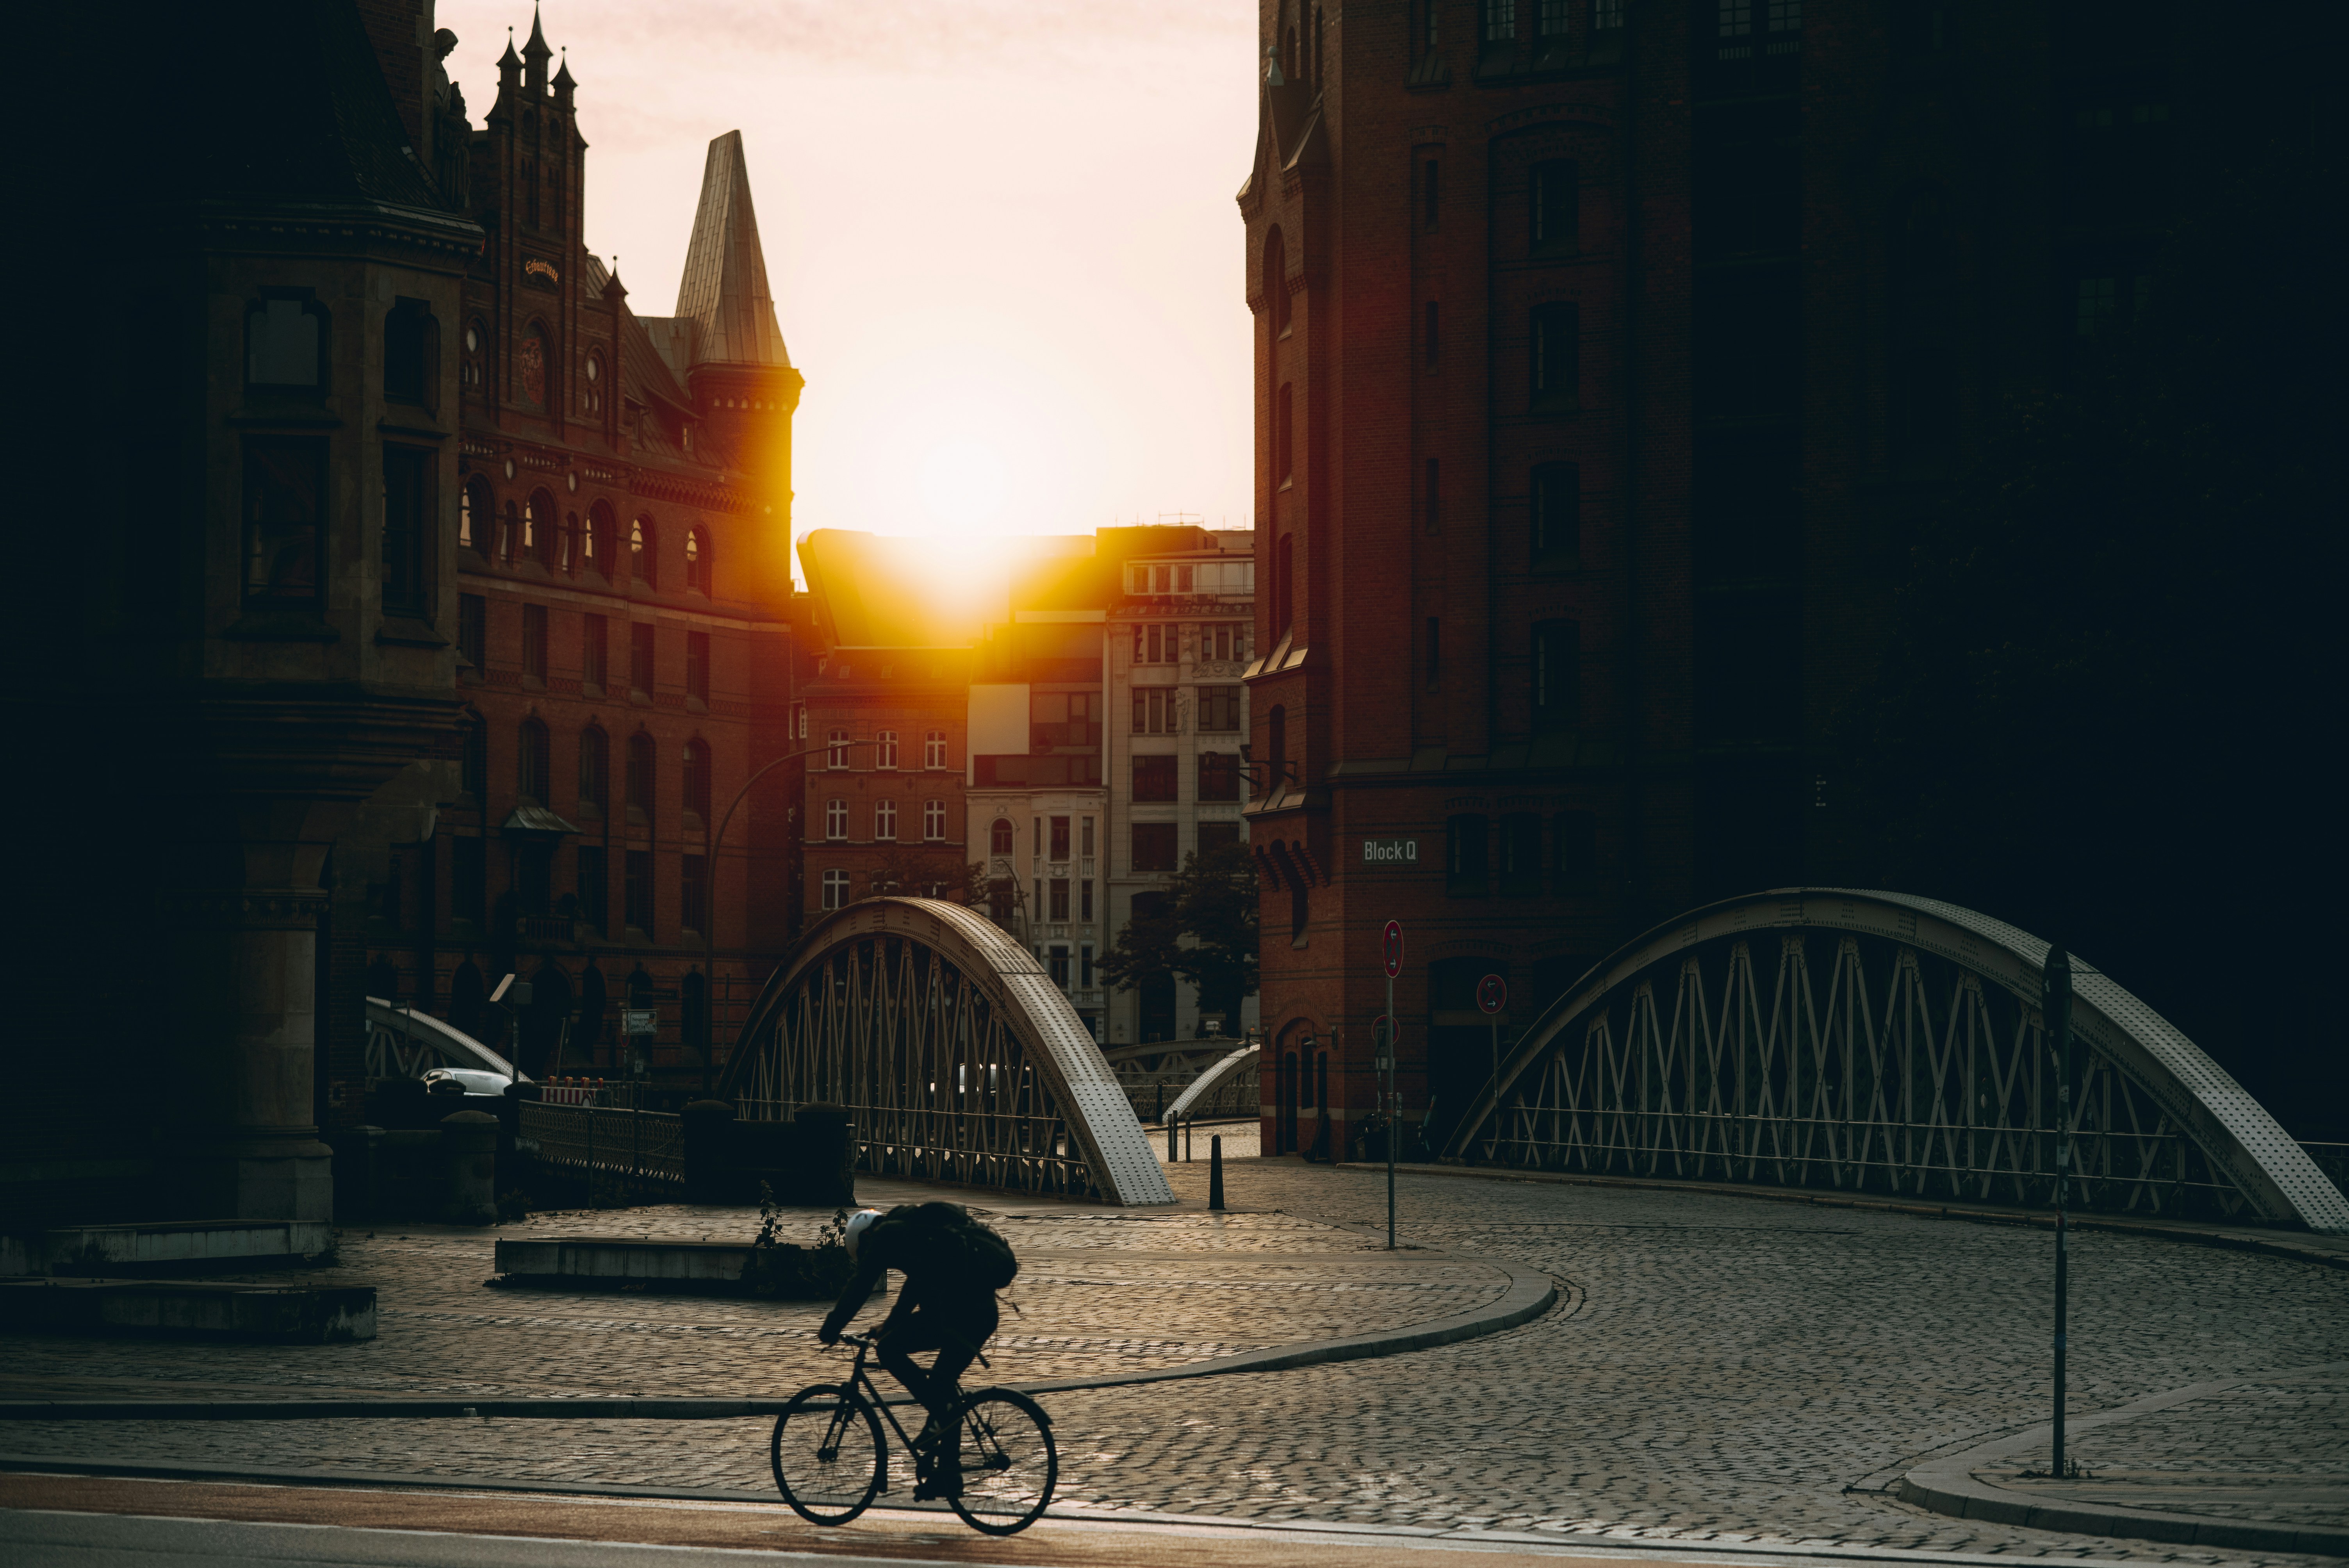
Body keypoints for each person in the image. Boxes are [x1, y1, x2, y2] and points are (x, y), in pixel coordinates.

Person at [818, 1202, 1017, 1499]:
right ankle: (946, 1478)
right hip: (978, 1312)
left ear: (866, 1237)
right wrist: (888, 1324)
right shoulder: (915, 1233)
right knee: (942, 1389)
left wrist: (832, 1326)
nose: (869, 1259)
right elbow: (915, 1285)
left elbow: (861, 1285)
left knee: (892, 1354)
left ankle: (940, 1418)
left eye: (864, 1253)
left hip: (962, 1316)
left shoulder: (888, 1236)